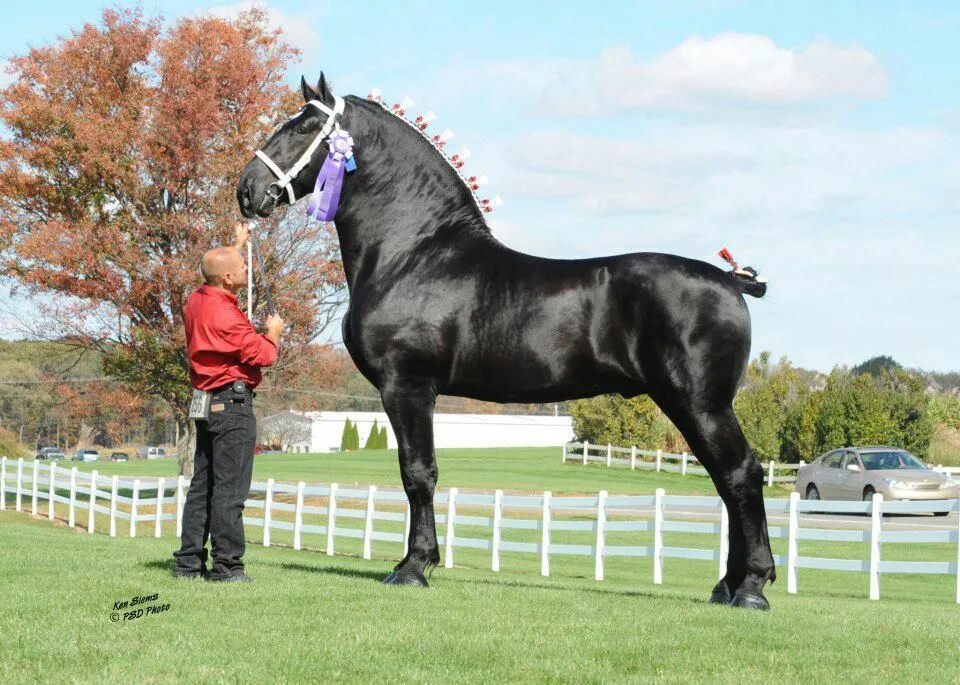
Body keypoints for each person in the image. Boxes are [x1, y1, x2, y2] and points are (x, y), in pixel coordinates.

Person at [172, 222, 284, 582]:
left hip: (205, 404)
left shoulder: (196, 300)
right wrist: (273, 334)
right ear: (227, 278)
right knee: (230, 492)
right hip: (232, 406)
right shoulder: (226, 317)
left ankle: (188, 563)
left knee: (202, 487)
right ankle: (227, 567)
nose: (247, 269)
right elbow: (263, 355)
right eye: (242, 267)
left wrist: (236, 244)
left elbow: (214, 266)